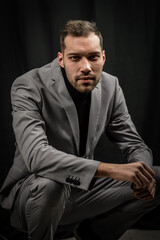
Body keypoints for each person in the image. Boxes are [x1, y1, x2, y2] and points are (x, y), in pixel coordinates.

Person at [0, 20, 160, 240]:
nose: (86, 67)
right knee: (52, 184)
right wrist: (112, 169)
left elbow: (134, 144)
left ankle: (91, 235)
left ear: (103, 57)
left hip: (81, 191)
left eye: (93, 57)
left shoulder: (111, 85)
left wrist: (144, 175)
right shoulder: (28, 85)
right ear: (61, 60)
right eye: (75, 57)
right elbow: (37, 156)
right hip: (34, 192)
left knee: (157, 177)